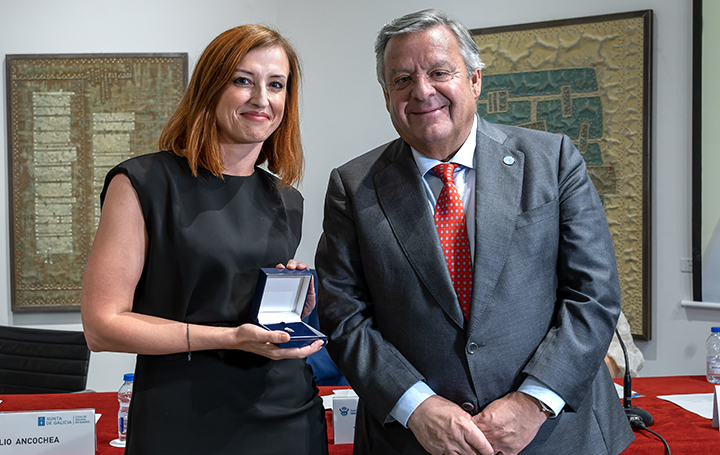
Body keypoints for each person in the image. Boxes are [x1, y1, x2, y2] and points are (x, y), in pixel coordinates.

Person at [315, 9, 634, 455]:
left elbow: (594, 294)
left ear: (475, 80)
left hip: (556, 435)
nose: (422, 90)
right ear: (387, 96)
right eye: (402, 79)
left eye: (439, 71)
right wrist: (417, 407)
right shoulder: (354, 186)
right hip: (414, 440)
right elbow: (344, 316)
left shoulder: (553, 160)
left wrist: (532, 402)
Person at [81, 25, 328, 455]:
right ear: (210, 88)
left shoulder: (287, 199)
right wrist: (229, 337)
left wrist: (291, 306)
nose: (261, 99)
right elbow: (102, 327)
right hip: (183, 418)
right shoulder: (143, 182)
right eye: (242, 81)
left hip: (287, 414)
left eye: (276, 85)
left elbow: (239, 303)